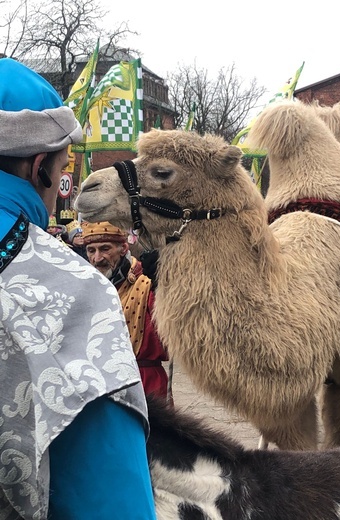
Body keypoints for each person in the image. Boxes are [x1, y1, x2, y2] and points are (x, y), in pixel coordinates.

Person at [0, 57, 156, 519]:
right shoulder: (69, 291)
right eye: (64, 168)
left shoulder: (139, 282)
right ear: (38, 167)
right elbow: (110, 502)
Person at [82, 221, 170, 400]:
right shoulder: (84, 284)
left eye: (105, 249)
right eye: (91, 250)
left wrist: (166, 289)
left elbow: (172, 335)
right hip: (99, 382)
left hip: (145, 382)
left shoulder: (147, 282)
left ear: (123, 248)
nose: (97, 258)